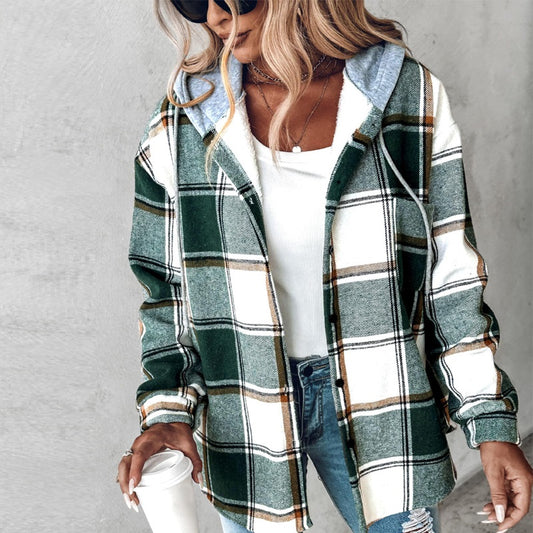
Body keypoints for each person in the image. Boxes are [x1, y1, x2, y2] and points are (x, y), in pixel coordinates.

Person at [117, 1, 533, 532]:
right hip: (246, 408)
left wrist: (490, 420)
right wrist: (168, 413)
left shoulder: (406, 96)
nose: (216, 15)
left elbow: (451, 277)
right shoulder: (182, 121)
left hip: (382, 398)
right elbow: (167, 292)